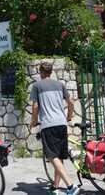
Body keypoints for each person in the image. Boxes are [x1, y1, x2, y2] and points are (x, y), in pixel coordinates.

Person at [30, 62, 79, 195]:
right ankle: (56, 187)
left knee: (52, 156)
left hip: (48, 124)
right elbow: (71, 102)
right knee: (59, 156)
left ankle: (70, 186)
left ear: (40, 72)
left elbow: (35, 107)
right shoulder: (60, 85)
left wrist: (33, 121)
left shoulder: (37, 86)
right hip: (62, 124)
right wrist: (68, 116)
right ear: (51, 72)